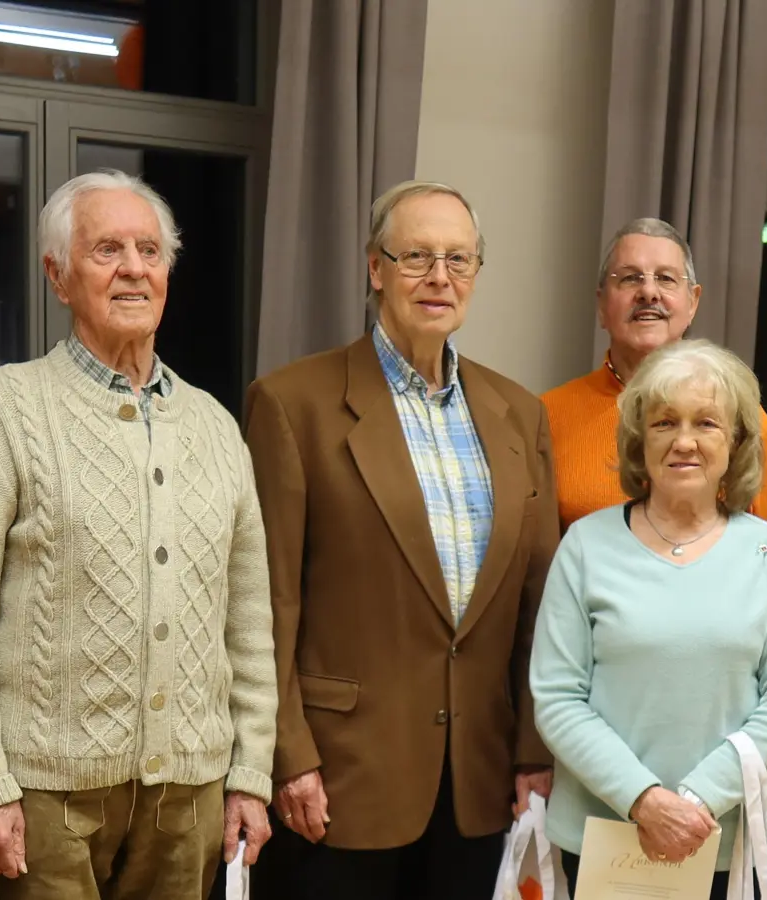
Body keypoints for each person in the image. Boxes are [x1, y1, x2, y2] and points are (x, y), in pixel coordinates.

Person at [0, 169, 276, 900]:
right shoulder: (1, 410)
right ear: (58, 276)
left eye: (149, 250)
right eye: (106, 250)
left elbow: (248, 618)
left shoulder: (215, 425)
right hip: (45, 798)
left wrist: (251, 772)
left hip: (190, 795)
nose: (133, 269)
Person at [244, 180, 560, 900]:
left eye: (459, 258)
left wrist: (532, 749)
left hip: (478, 782)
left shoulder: (519, 413)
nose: (440, 277)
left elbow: (541, 603)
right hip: (340, 778)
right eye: (416, 255)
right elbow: (268, 602)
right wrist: (287, 756)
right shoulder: (294, 405)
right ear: (375, 267)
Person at [530, 339, 767, 900]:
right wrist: (644, 801)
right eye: (665, 422)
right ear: (641, 439)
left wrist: (693, 802)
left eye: (706, 423)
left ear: (735, 442)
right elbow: (558, 697)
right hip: (609, 843)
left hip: (734, 846)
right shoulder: (586, 547)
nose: (684, 441)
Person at [542, 218, 767, 530]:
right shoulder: (546, 417)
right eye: (630, 278)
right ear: (601, 305)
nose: (648, 292)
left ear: (693, 302)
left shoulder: (742, 418)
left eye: (666, 279)